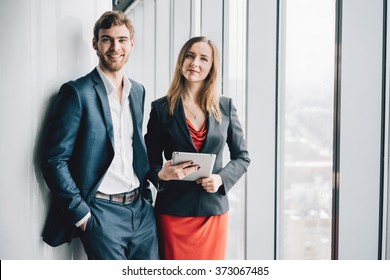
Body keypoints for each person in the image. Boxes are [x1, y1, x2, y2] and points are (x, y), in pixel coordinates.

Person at [40, 10, 159, 260]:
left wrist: (147, 195)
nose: (115, 47)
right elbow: (54, 160)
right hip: (101, 214)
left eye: (122, 39)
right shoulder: (77, 93)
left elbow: (135, 148)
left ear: (132, 44)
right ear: (95, 43)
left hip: (141, 211)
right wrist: (83, 215)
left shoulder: (138, 91)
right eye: (107, 39)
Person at [145, 36, 250, 260]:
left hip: (213, 212)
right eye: (190, 56)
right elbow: (147, 161)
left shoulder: (225, 106)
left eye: (204, 59)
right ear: (181, 61)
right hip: (172, 212)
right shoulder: (161, 108)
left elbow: (242, 157)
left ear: (211, 67)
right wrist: (161, 174)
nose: (195, 63)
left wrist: (221, 179)